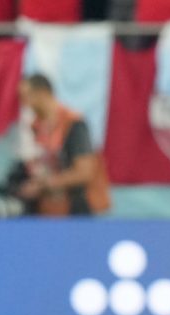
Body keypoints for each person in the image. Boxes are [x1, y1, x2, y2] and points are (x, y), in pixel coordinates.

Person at [14, 74, 108, 216]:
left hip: (76, 211)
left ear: (43, 93)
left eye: (27, 96)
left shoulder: (74, 124)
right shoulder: (35, 127)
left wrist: (44, 185)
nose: (25, 103)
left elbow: (84, 172)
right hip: (45, 211)